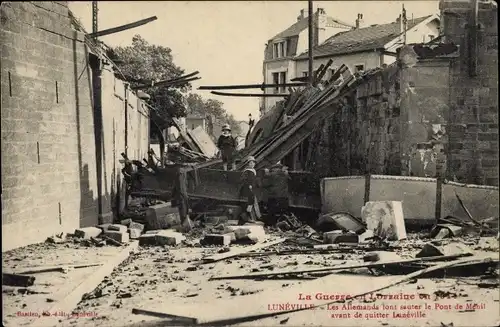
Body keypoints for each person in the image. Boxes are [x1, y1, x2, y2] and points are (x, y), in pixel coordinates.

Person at [239, 156, 261, 224]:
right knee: (248, 203)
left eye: (253, 163)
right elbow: (243, 179)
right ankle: (245, 218)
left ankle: (247, 217)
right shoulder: (247, 171)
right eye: (250, 163)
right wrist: (249, 185)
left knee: (250, 203)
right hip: (247, 189)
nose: (252, 164)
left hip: (251, 189)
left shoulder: (253, 171)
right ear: (248, 164)